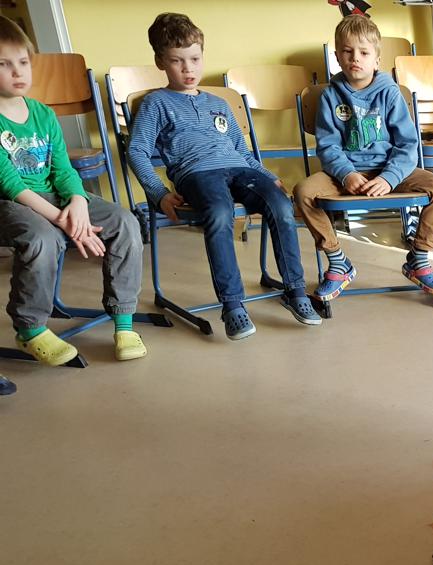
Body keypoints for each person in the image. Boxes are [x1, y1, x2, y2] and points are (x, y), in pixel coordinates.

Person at [127, 12, 319, 340]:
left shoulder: (219, 103)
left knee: (280, 204)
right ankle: (232, 306)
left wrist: (266, 174)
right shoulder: (155, 103)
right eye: (177, 61)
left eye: (195, 59)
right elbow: (136, 151)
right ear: (160, 62)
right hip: (197, 175)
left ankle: (295, 291)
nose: (188, 69)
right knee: (219, 213)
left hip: (240, 169)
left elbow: (242, 152)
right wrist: (159, 193)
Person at [0, 17, 147, 364]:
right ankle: (30, 329)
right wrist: (63, 221)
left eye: (22, 62)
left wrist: (78, 203)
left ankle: (123, 321)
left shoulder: (42, 114)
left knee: (125, 222)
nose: (17, 72)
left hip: (55, 197)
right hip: (10, 202)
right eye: (3, 65)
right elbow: (10, 183)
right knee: (42, 239)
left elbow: (63, 169)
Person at [295, 14, 433, 301]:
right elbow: (328, 147)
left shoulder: (390, 93)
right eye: (347, 51)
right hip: (345, 174)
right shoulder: (330, 96)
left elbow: (407, 144)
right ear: (337, 57)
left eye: (364, 52)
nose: (356, 58)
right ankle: (338, 260)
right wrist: (346, 174)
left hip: (388, 170)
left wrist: (389, 178)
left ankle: (419, 258)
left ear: (376, 59)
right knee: (303, 191)